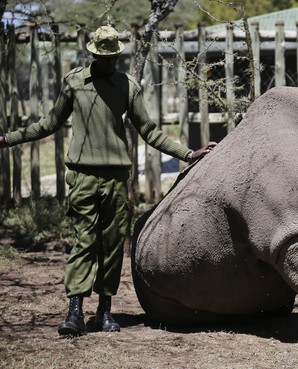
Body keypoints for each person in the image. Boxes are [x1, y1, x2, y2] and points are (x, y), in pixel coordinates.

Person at [0, 26, 216, 337]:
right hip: (83, 177)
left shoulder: (127, 86)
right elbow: (50, 123)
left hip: (116, 179)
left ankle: (104, 311)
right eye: (105, 57)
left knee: (112, 246)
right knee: (85, 242)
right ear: (94, 55)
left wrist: (188, 154)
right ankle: (75, 311)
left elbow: (149, 131)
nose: (110, 62)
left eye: (114, 57)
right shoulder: (74, 83)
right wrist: (9, 139)